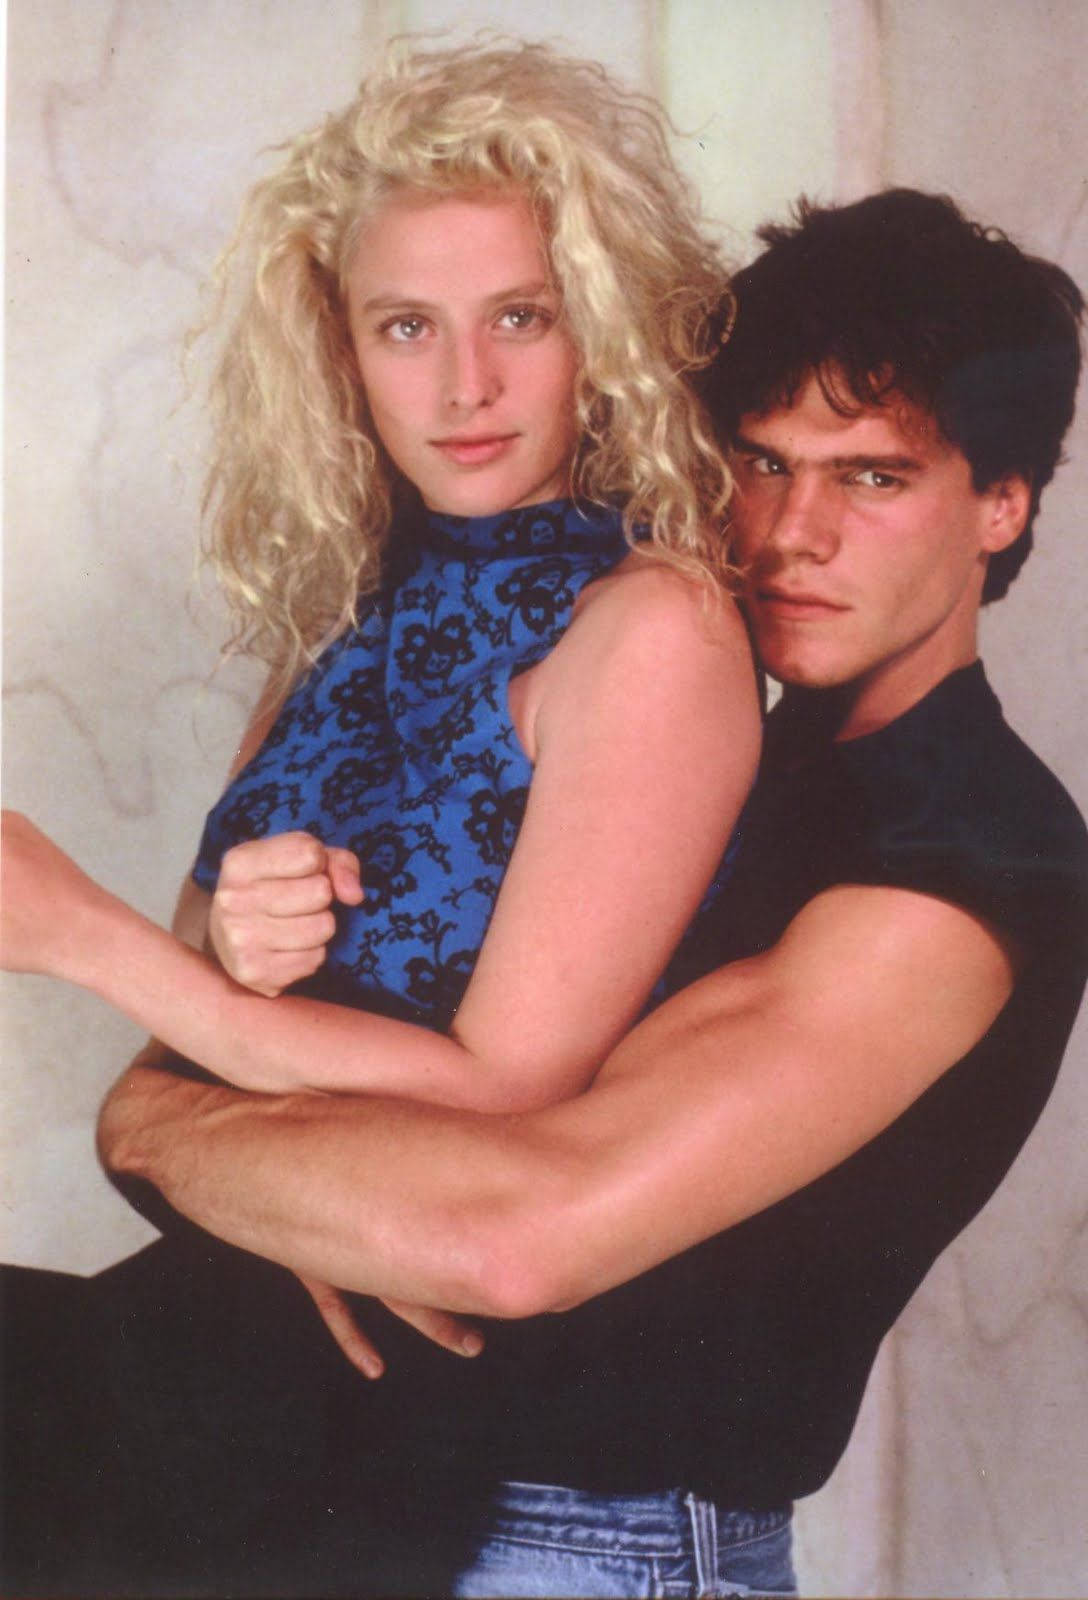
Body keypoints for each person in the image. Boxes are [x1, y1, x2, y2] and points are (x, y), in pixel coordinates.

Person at [4, 189, 1086, 1597]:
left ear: (1001, 505)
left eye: (874, 478)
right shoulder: (738, 754)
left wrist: (154, 1116)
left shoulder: (968, 864)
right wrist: (276, 1147)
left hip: (593, 1546)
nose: (792, 532)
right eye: (762, 463)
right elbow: (404, 1104)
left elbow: (504, 1238)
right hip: (375, 1495)